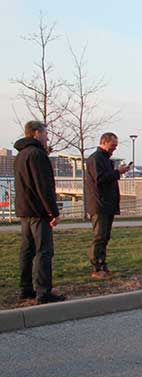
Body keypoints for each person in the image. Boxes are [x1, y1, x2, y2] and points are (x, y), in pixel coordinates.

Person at [13, 120, 65, 304]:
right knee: (44, 250)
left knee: (27, 250)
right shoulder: (37, 155)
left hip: (24, 209)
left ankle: (25, 289)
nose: (47, 137)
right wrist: (53, 212)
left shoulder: (21, 155)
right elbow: (44, 186)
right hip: (38, 211)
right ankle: (43, 291)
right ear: (36, 133)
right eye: (45, 133)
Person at [85, 133, 130, 279]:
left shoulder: (105, 159)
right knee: (99, 236)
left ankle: (102, 264)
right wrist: (118, 172)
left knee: (105, 236)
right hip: (99, 204)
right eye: (113, 146)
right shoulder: (95, 159)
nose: (114, 149)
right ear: (104, 142)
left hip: (107, 203)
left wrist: (117, 172)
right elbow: (100, 178)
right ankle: (96, 268)